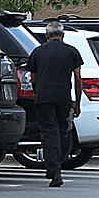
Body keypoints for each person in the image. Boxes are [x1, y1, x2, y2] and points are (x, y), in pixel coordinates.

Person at [28, 19, 83, 187]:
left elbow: (33, 78)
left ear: (46, 36)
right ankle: (57, 165)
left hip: (44, 98)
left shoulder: (37, 52)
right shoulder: (72, 52)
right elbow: (78, 79)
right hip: (63, 98)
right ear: (63, 35)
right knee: (62, 132)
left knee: (48, 133)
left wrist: (38, 94)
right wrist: (78, 103)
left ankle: (54, 169)